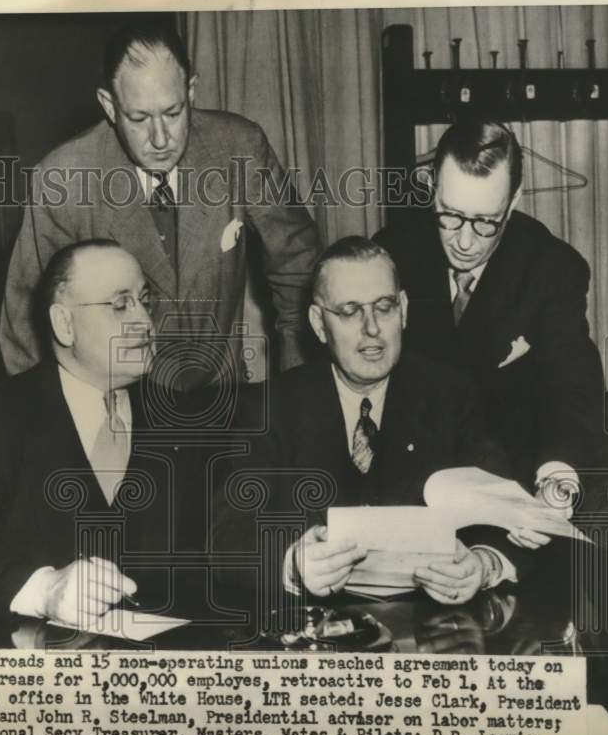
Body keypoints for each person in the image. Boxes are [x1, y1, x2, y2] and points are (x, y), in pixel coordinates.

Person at [214, 237, 548, 606]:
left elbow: (509, 511)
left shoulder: (450, 395)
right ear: (318, 324)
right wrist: (292, 563)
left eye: (384, 307)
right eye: (350, 310)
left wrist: (483, 565)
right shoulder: (268, 407)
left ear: (403, 310)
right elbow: (227, 537)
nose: (372, 328)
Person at [0, 20, 320, 390]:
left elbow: (300, 269)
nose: (160, 138)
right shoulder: (64, 178)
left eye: (173, 112)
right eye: (139, 118)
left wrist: (297, 388)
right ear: (109, 105)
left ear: (191, 90)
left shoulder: (240, 148)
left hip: (223, 395)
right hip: (116, 404)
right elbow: (25, 329)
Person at [0, 239, 195, 627]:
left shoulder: (180, 416)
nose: (145, 322)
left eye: (145, 302)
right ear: (64, 324)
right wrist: (45, 590)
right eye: (119, 305)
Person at [374, 121, 605, 502]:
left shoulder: (552, 269)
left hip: (508, 485)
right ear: (432, 188)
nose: (464, 242)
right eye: (450, 215)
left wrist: (557, 476)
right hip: (407, 482)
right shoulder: (391, 253)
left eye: (486, 222)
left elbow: (572, 390)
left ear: (513, 201)